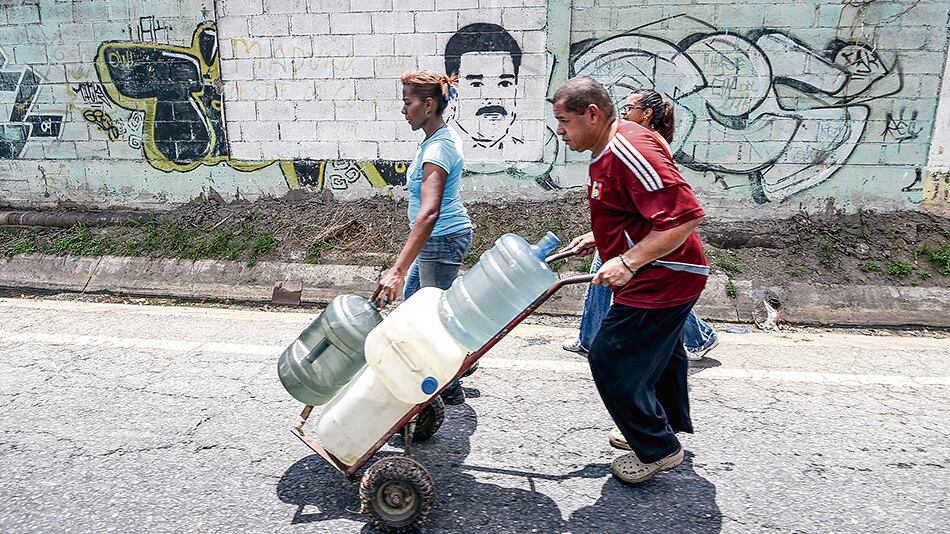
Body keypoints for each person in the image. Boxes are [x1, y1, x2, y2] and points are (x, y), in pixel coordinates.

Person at [553, 76, 709, 484]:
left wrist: (627, 260)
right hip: (664, 271)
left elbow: (685, 215)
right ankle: (661, 425)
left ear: (592, 114)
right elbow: (635, 206)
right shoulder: (609, 146)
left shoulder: (628, 149)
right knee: (663, 354)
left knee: (610, 357)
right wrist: (599, 236)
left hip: (664, 275)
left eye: (564, 120)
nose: (559, 130)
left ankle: (657, 447)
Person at [562, 89, 719, 360]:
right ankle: (589, 337)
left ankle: (700, 336)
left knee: (659, 296)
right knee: (602, 281)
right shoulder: (626, 142)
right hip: (626, 234)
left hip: (642, 239)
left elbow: (664, 207)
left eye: (629, 108)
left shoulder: (645, 145)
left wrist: (621, 253)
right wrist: (597, 235)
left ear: (646, 113)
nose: (623, 113)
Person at [372, 70, 473, 405]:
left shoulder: (438, 149)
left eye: (408, 102)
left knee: (431, 320)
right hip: (438, 239)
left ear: (429, 105)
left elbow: (429, 213)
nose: (403, 110)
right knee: (416, 306)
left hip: (442, 239)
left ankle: (448, 385)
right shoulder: (436, 140)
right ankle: (459, 362)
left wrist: (397, 270)